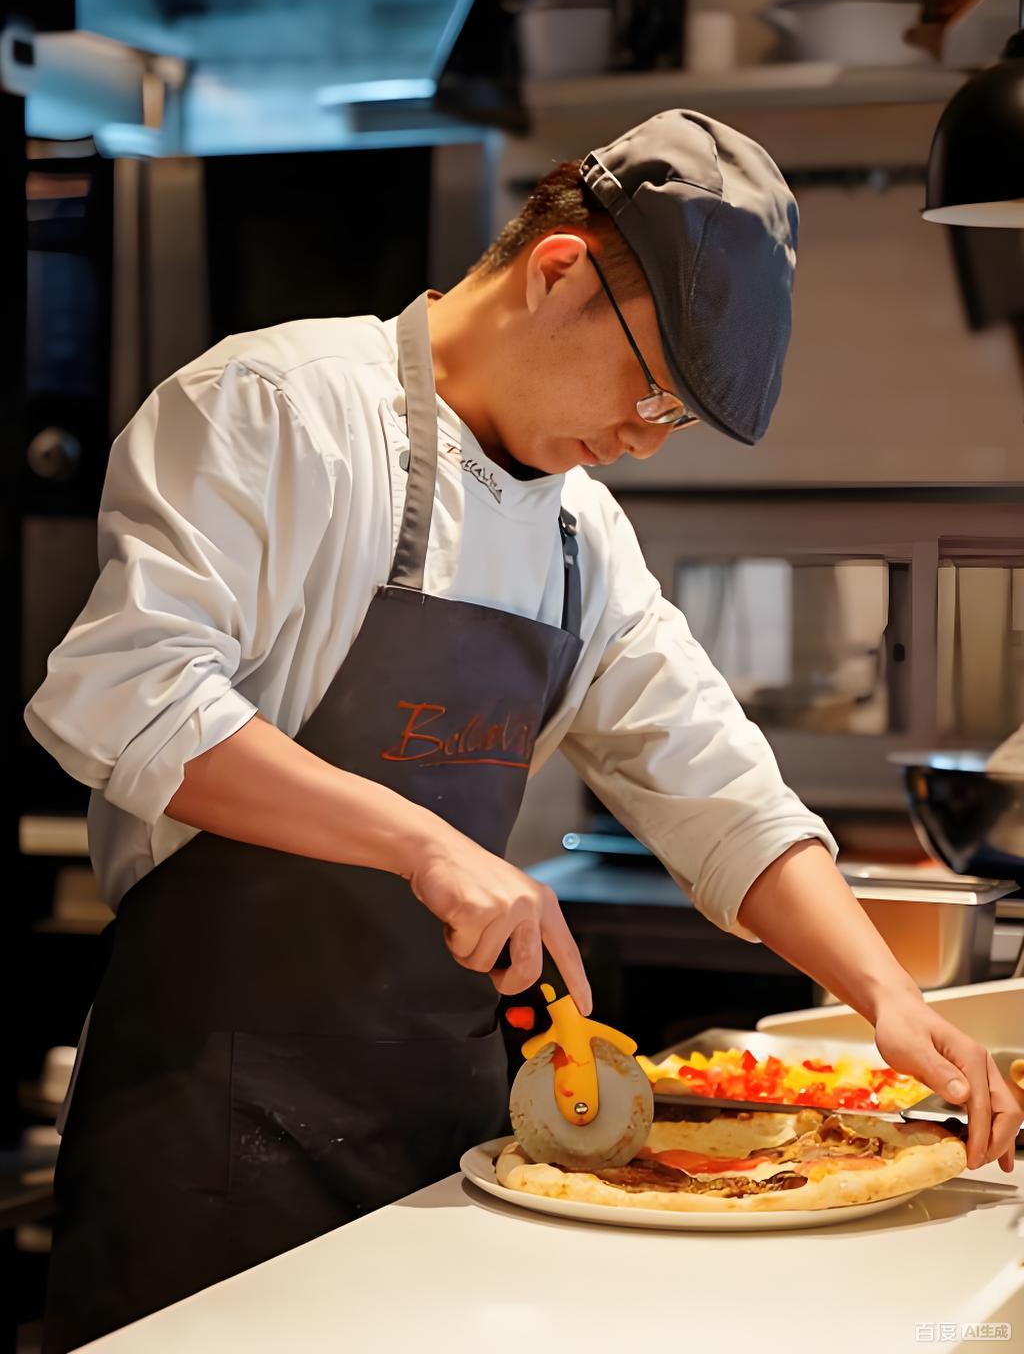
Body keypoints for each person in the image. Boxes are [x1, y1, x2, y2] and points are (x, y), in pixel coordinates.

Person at [26, 110, 1021, 1350]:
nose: (643, 441)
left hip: (449, 1130)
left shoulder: (579, 535)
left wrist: (883, 995)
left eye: (672, 421)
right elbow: (124, 689)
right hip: (208, 1120)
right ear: (559, 271)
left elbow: (717, 789)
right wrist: (426, 844)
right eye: (652, 392)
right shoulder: (275, 408)